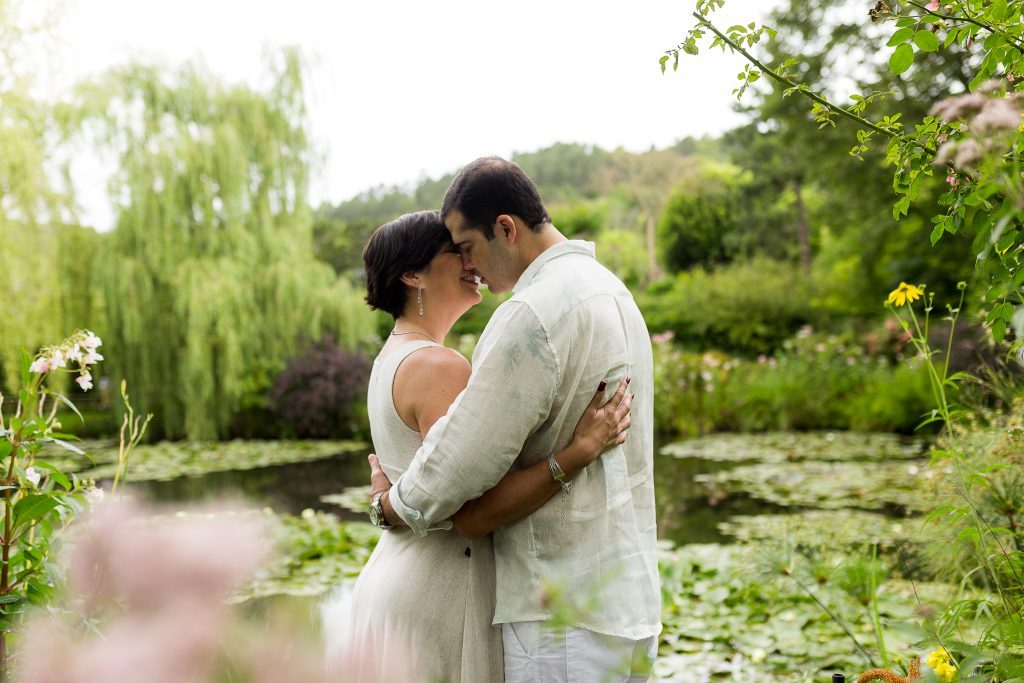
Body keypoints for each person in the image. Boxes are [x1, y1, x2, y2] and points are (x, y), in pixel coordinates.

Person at [371, 157, 661, 682]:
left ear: (506, 228)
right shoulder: (613, 291)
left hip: (560, 615)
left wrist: (389, 505)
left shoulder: (532, 312)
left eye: (467, 247)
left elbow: (454, 472)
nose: (469, 265)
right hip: (628, 604)